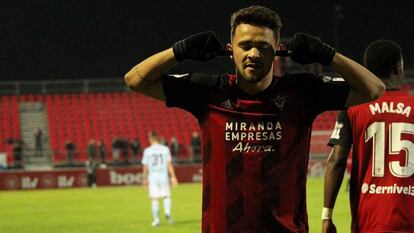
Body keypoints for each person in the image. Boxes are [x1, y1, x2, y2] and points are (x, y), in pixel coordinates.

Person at [125, 5, 384, 232]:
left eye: (263, 47)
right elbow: (135, 79)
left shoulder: (302, 92)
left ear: (277, 51)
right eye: (245, 45)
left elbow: (374, 88)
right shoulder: (208, 91)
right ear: (230, 50)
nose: (254, 54)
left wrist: (327, 55)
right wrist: (179, 51)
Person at [323, 39, 413, 233]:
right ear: (398, 69)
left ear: (368, 71)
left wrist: (326, 216)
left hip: (368, 220)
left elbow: (337, 160)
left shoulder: (353, 107)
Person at [141, 131, 178, 227]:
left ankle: (156, 220)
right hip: (163, 176)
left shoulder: (147, 151)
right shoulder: (165, 149)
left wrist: (144, 179)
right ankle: (167, 212)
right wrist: (173, 177)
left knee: (154, 199)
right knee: (166, 196)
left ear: (150, 139)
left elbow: (145, 167)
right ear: (158, 139)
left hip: (153, 177)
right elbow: (169, 164)